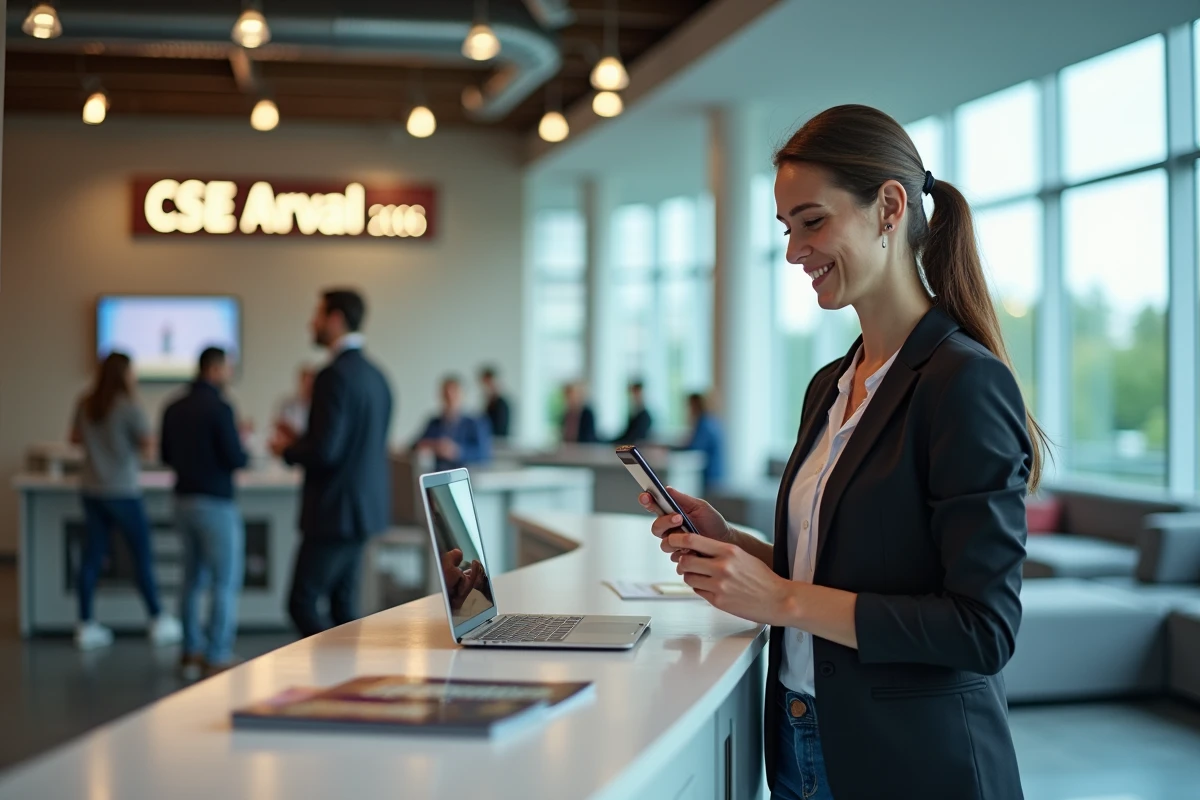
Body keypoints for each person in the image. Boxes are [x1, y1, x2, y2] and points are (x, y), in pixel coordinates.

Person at [641, 105, 1047, 800]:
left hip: (912, 765)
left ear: (889, 207)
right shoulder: (830, 385)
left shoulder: (964, 383)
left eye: (813, 221)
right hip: (801, 740)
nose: (795, 251)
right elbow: (833, 574)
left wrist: (782, 598)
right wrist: (734, 547)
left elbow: (981, 629)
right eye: (787, 229)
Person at [270, 289, 394, 638]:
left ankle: (331, 673)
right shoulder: (377, 376)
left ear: (336, 319)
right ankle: (348, 681)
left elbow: (326, 452)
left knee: (302, 603)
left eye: (318, 315)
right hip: (363, 511)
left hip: (333, 512)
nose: (312, 322)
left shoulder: (332, 375)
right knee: (343, 607)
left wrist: (287, 448)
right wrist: (302, 440)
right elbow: (354, 445)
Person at [69, 352, 182, 650]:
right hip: (122, 490)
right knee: (141, 555)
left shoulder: (85, 402)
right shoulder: (129, 406)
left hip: (91, 489)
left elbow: (74, 439)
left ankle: (85, 624)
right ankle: (158, 619)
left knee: (92, 556)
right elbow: (149, 447)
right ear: (125, 374)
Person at [160, 347, 249, 679]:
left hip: (182, 501)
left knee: (191, 580)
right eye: (228, 368)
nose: (229, 374)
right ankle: (218, 654)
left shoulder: (173, 407)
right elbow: (235, 458)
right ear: (213, 369)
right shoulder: (221, 408)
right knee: (224, 580)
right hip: (215, 503)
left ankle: (190, 651)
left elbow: (166, 454)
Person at [413, 376, 493, 471]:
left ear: (463, 395)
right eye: (446, 395)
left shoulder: (475, 423)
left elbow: (484, 454)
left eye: (454, 394)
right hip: (435, 474)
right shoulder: (434, 422)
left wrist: (457, 452)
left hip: (462, 476)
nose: (450, 398)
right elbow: (414, 445)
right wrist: (433, 446)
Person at [681, 393, 726, 491]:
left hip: (711, 476)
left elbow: (696, 447)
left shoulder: (704, 424)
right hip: (716, 474)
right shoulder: (712, 420)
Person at [276, 365, 316, 437]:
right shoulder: (287, 404)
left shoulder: (319, 407)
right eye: (306, 383)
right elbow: (280, 426)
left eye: (310, 385)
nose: (307, 388)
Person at [478, 365, 511, 439]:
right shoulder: (489, 404)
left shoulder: (501, 405)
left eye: (487, 384)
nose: (484, 388)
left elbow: (500, 432)